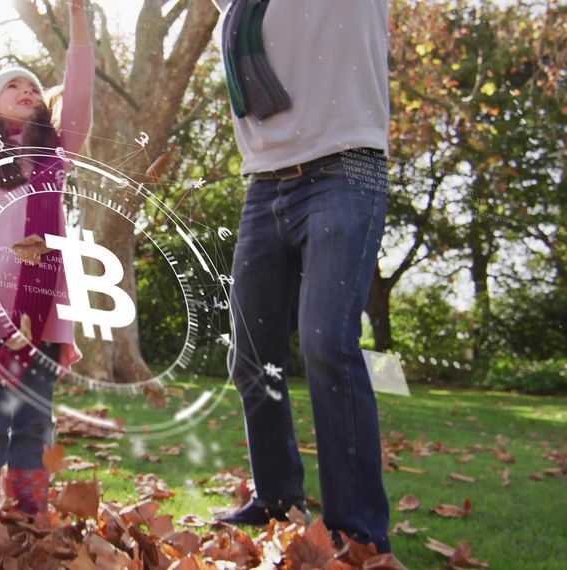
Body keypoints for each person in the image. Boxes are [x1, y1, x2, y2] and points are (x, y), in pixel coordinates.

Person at [209, 0, 394, 554]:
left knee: (326, 342)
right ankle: (277, 497)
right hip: (265, 185)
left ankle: (357, 530)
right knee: (250, 350)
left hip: (346, 169)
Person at [0, 0, 93, 527]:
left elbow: (79, 92)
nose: (27, 90)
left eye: (33, 86)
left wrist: (78, 17)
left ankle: (32, 520)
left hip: (46, 313)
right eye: (13, 86)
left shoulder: (57, 155)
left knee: (34, 419)